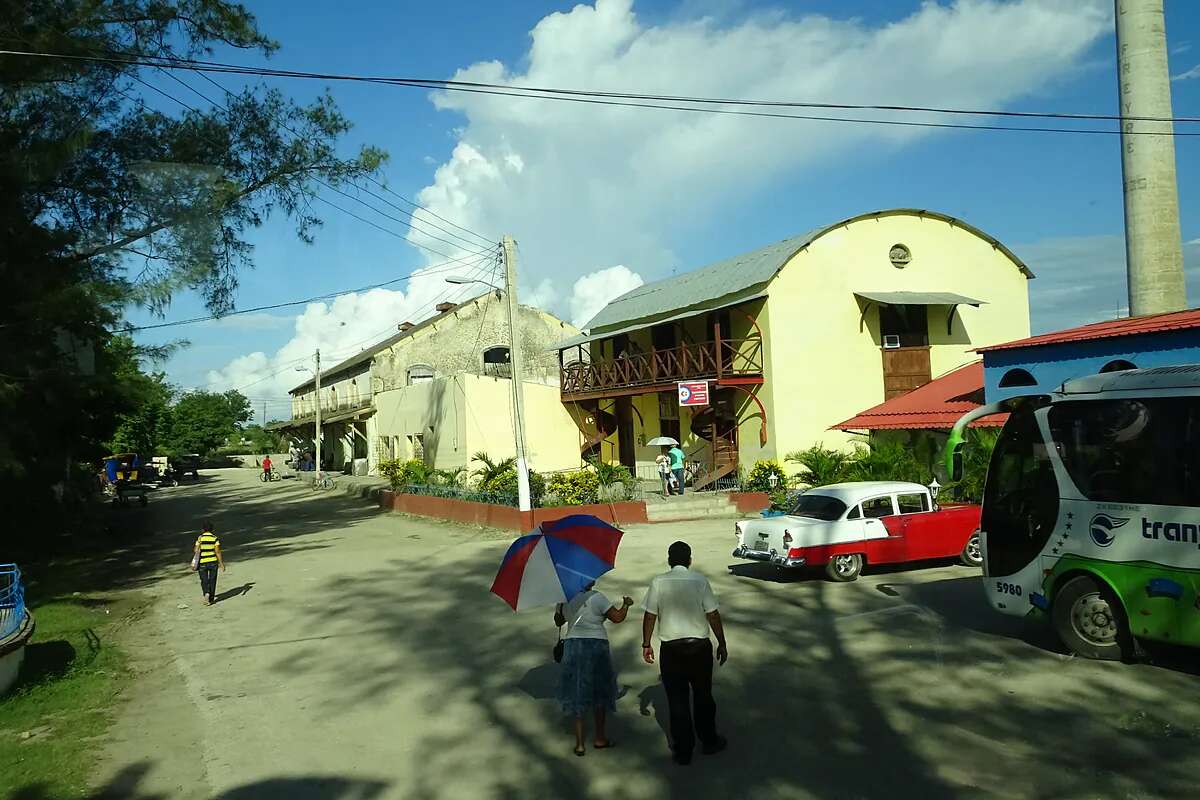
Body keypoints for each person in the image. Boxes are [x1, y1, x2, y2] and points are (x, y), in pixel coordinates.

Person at [641, 541, 727, 765]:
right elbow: (713, 614)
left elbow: (650, 615)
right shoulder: (700, 581)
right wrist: (722, 642)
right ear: (690, 559)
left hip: (672, 651)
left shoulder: (658, 582)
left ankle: (683, 750)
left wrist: (646, 643)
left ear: (669, 560)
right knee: (703, 695)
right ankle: (709, 741)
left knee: (677, 701)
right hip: (699, 648)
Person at [555, 583, 634, 757]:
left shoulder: (564, 599)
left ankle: (579, 744)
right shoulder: (597, 597)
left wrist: (561, 606)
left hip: (573, 645)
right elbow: (617, 618)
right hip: (596, 644)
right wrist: (627, 604)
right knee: (600, 691)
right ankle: (599, 738)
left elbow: (558, 621)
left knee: (577, 691)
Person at [193, 520, 225, 606]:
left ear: (203, 529)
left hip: (202, 562)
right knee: (212, 580)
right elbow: (217, 552)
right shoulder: (215, 538)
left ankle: (206, 592)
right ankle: (211, 599)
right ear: (212, 529)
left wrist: (199, 545)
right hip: (213, 562)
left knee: (204, 580)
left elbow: (196, 550)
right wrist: (221, 564)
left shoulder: (200, 538)